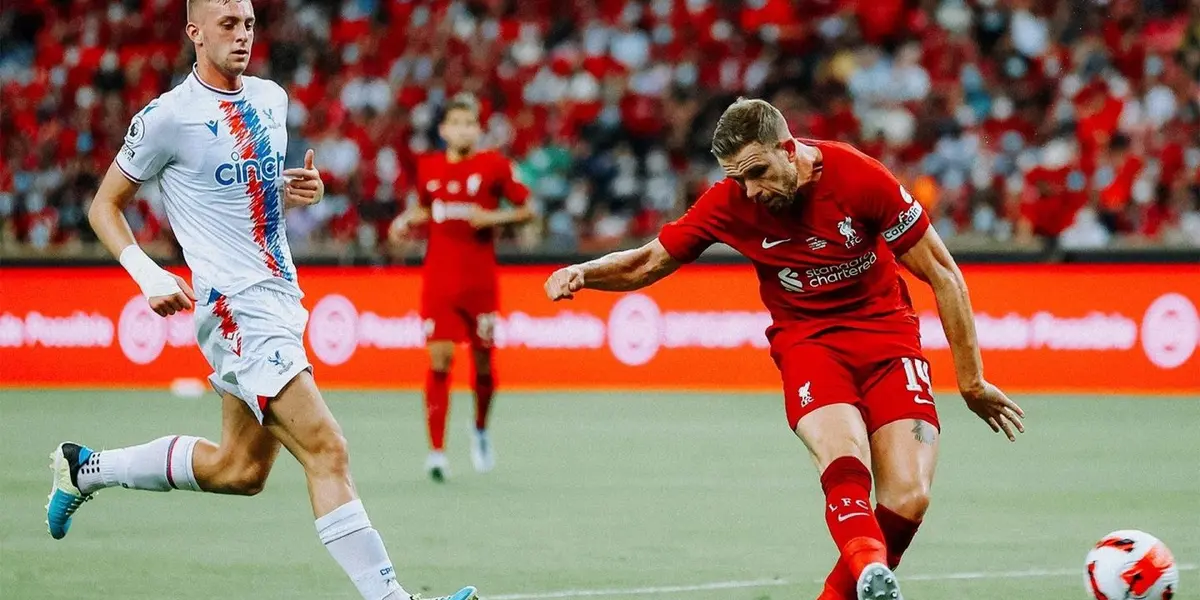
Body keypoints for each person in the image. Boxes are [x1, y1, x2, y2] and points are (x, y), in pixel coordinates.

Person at [45, 2, 477, 599]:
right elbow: (103, 205)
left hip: (279, 299)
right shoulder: (168, 117)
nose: (243, 35)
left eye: (248, 23)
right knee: (328, 448)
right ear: (195, 32)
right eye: (228, 25)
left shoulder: (272, 99)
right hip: (234, 311)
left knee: (239, 471)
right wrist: (147, 274)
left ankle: (86, 469)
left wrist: (297, 193)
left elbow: (248, 196)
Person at [543, 98, 1025, 600]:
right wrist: (584, 272)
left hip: (888, 337)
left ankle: (852, 583)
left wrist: (971, 381)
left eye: (756, 172)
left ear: (788, 148)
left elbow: (944, 275)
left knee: (909, 497)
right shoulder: (729, 201)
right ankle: (870, 578)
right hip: (809, 344)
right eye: (738, 178)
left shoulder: (860, 178)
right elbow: (646, 263)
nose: (749, 190)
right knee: (845, 458)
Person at [389, 93, 532, 482]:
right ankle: (436, 452)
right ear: (443, 130)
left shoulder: (494, 166)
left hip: (480, 282)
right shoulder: (428, 167)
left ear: (478, 129)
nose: (463, 130)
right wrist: (406, 220)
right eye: (456, 123)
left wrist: (493, 217)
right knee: (440, 362)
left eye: (470, 124)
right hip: (439, 280)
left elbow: (528, 209)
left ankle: (481, 428)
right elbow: (426, 207)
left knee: (483, 364)